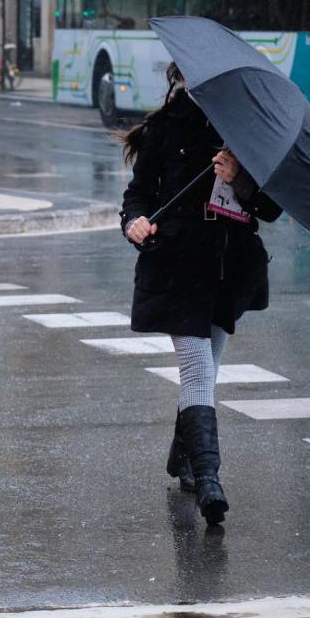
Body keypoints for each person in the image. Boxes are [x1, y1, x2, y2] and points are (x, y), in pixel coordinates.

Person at [120, 62, 282, 527]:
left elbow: (270, 209)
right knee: (196, 368)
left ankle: (185, 458)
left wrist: (240, 179)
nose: (201, 85)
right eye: (193, 77)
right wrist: (134, 222)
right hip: (177, 263)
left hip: (229, 267)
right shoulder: (164, 128)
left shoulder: (247, 131)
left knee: (207, 371)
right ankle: (210, 479)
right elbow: (137, 194)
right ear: (183, 79)